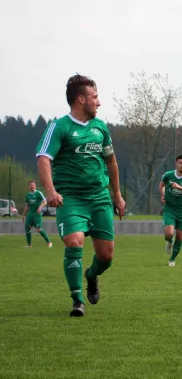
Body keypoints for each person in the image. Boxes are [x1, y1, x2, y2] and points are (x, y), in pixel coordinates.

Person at [36, 74, 125, 317]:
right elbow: (44, 158)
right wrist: (51, 191)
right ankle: (77, 299)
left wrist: (117, 196)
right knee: (74, 241)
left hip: (99, 199)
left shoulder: (100, 128)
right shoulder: (59, 127)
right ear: (81, 99)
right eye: (95, 97)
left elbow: (111, 162)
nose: (99, 102)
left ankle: (91, 275)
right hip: (71, 199)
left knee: (106, 257)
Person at [159, 154, 182, 266]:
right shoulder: (168, 175)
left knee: (180, 236)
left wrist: (180, 187)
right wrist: (163, 196)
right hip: (170, 209)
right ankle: (170, 241)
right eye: (180, 163)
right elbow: (161, 185)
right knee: (169, 234)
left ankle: (172, 260)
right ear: (176, 164)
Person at [22, 180, 53, 248]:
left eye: (33, 185)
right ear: (29, 186)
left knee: (38, 229)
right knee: (27, 228)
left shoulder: (39, 193)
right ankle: (29, 245)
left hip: (37, 214)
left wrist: (40, 207)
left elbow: (45, 202)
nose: (32, 186)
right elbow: (27, 206)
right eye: (31, 185)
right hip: (30, 214)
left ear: (35, 186)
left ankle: (49, 242)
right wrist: (24, 215)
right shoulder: (28, 195)